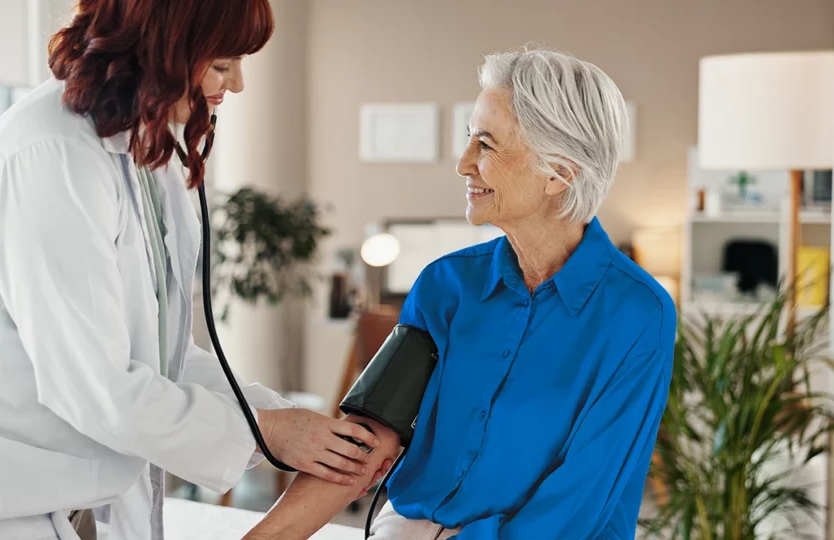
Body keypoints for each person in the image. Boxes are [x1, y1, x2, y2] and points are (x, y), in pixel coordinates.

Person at [0, 1, 386, 539]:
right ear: (163, 50)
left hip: (45, 491)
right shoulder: (50, 156)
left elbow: (160, 354)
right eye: (222, 65)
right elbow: (96, 386)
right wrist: (268, 431)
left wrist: (284, 424)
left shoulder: (143, 155)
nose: (238, 85)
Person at [242, 47, 677, 540]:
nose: (463, 164)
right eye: (469, 138)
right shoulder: (445, 285)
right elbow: (368, 440)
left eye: (486, 144)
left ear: (561, 172)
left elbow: (577, 507)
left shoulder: (637, 313)